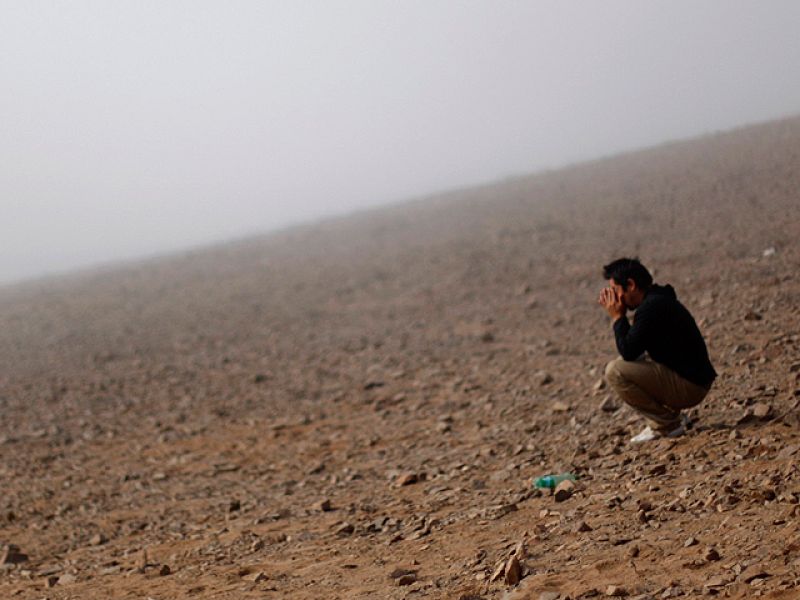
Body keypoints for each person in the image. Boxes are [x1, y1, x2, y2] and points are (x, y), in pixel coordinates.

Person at [597, 258, 716, 443]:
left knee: (615, 371)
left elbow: (628, 350)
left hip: (691, 388)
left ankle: (667, 424)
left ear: (630, 285)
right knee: (627, 363)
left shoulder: (651, 307)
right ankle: (670, 420)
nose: (615, 298)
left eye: (615, 291)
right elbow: (634, 351)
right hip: (694, 381)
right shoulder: (657, 300)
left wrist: (618, 317)